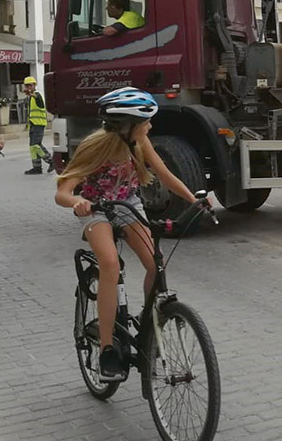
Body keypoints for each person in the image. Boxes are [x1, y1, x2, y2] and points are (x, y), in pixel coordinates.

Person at [54, 88, 203, 381]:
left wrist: (194, 200)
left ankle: (149, 323)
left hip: (128, 204)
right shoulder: (95, 146)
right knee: (110, 264)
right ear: (127, 125)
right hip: (97, 209)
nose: (150, 126)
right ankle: (108, 350)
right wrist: (78, 202)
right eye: (145, 122)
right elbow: (62, 192)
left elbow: (164, 175)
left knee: (156, 263)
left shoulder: (139, 142)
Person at [23, 75, 54, 175]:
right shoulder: (30, 98)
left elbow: (38, 100)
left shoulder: (37, 95)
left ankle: (51, 160)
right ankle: (36, 167)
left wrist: (31, 94)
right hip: (33, 125)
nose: (29, 87)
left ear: (34, 85)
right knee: (32, 147)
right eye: (27, 86)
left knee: (36, 145)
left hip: (39, 124)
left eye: (30, 85)